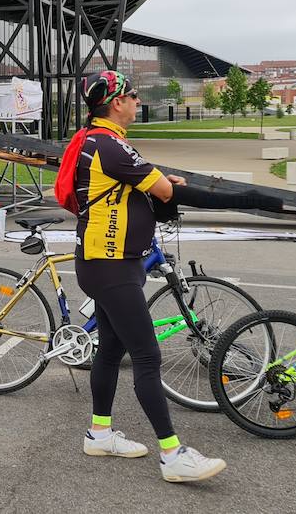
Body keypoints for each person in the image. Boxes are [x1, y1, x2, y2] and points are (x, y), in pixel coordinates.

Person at [71, 70, 226, 483]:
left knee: (108, 351)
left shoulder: (100, 141)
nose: (138, 101)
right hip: (112, 265)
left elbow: (144, 185)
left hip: (102, 262)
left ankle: (99, 433)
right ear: (117, 102)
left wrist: (160, 184)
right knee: (147, 356)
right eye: (134, 95)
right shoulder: (109, 145)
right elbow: (164, 192)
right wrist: (171, 187)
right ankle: (173, 455)